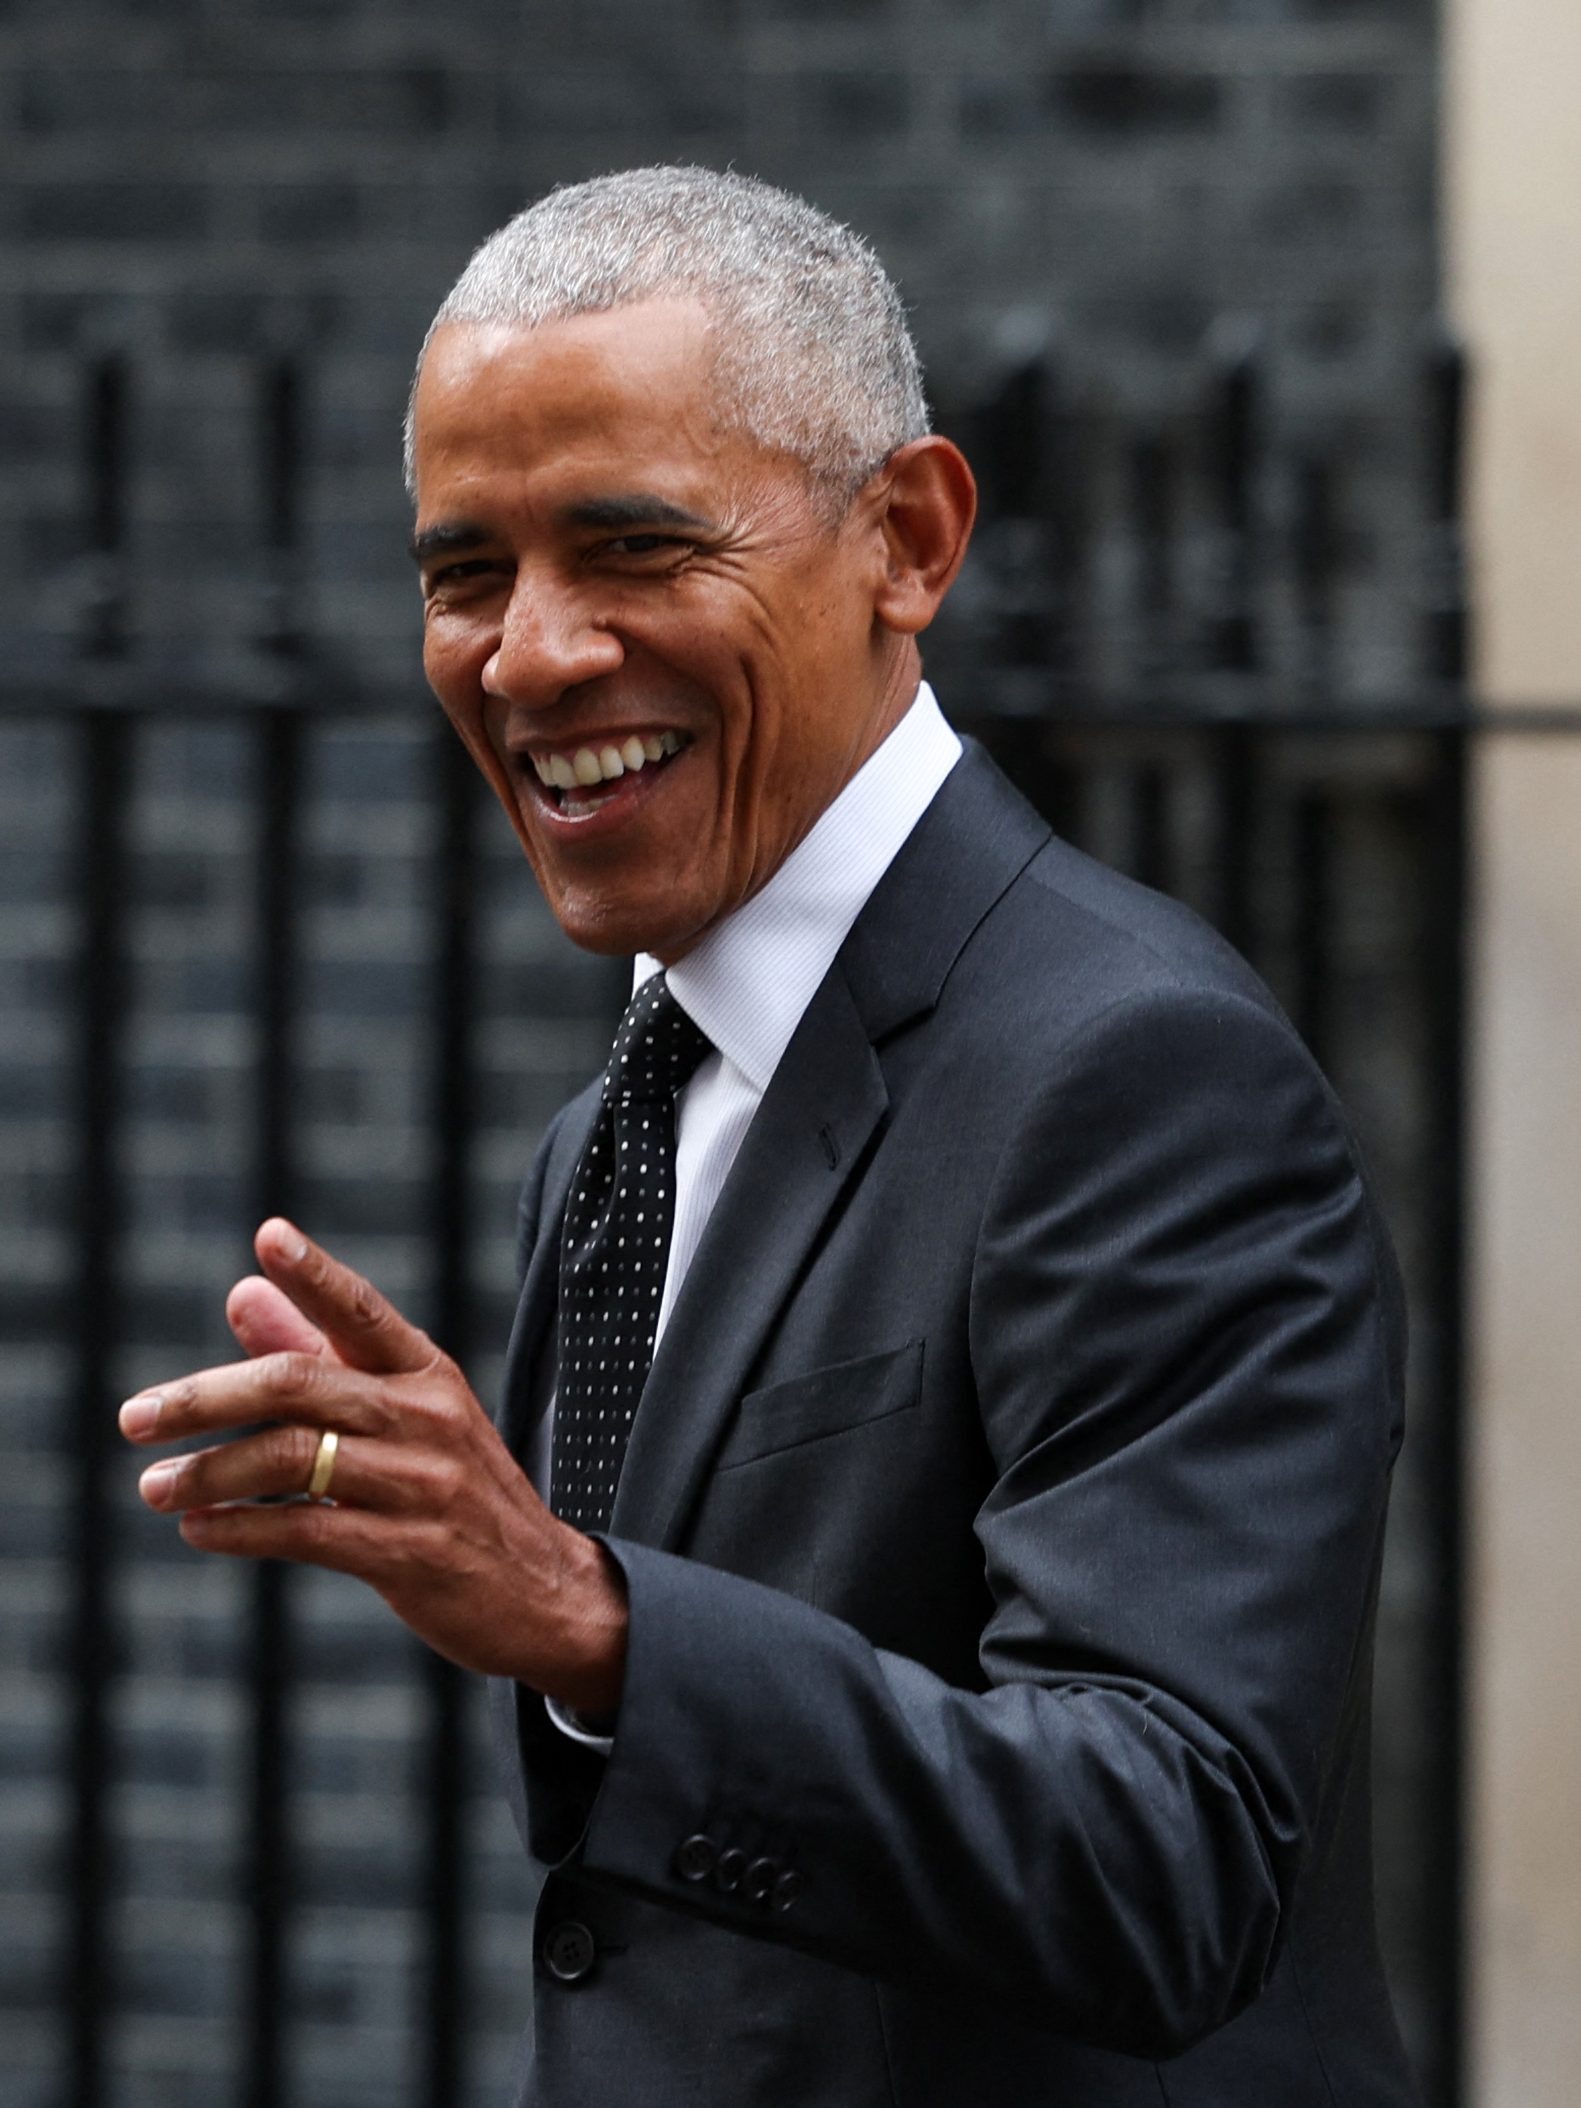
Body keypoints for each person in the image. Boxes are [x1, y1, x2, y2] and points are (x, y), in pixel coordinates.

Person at [122, 167, 1421, 2105]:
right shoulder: (622, 1122)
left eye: (632, 545)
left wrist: (593, 1621)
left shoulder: (1135, 1068)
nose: (529, 653)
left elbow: (1169, 1857)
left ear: (906, 538)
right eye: (464, 574)